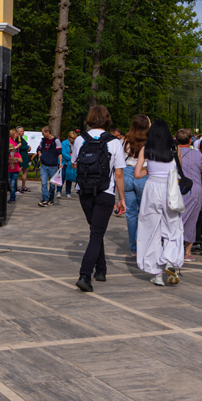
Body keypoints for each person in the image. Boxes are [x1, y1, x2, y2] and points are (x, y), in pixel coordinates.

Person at [72, 105, 126, 292]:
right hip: (105, 192)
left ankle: (101, 269)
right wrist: (122, 198)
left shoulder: (80, 139)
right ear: (107, 119)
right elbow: (118, 173)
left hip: (84, 191)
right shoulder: (115, 142)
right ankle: (85, 274)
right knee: (97, 232)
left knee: (96, 230)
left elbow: (74, 164)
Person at [135, 119, 183, 286]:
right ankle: (170, 261)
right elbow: (178, 170)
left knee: (151, 230)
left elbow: (136, 174)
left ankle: (156, 274)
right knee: (173, 227)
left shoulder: (146, 149)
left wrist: (149, 170)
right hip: (169, 189)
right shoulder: (173, 150)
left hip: (151, 189)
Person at [175, 129, 202, 262]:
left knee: (174, 218)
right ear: (190, 140)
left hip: (175, 189)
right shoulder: (197, 155)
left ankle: (172, 247)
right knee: (191, 220)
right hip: (193, 191)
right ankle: (187, 252)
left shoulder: (171, 154)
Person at [122, 115, 150, 256]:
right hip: (143, 174)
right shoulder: (149, 141)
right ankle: (141, 243)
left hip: (127, 173)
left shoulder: (126, 140)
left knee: (131, 214)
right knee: (143, 212)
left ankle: (133, 248)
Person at [37, 126, 63, 207]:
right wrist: (40, 155)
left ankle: (51, 198)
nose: (43, 134)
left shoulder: (56, 141)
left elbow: (59, 152)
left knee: (52, 184)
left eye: (43, 133)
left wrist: (60, 163)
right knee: (44, 183)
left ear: (47, 132)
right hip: (44, 165)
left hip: (53, 165)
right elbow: (39, 148)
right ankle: (45, 199)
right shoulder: (43, 140)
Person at [60, 131, 77, 198]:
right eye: (72, 138)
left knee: (69, 177)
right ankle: (59, 191)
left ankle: (68, 192)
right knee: (62, 176)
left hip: (71, 163)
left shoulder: (75, 144)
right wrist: (72, 158)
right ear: (69, 137)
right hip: (64, 162)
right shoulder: (64, 143)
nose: (73, 140)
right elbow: (63, 153)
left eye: (74, 138)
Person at [7, 130, 22, 203]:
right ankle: (12, 195)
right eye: (16, 134)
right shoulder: (10, 141)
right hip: (10, 164)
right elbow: (10, 150)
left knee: (12, 183)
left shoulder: (14, 141)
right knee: (10, 183)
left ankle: (12, 197)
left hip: (15, 165)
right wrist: (17, 146)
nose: (17, 135)